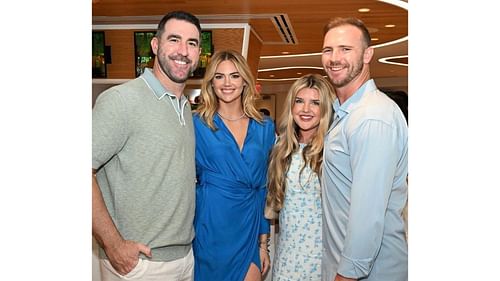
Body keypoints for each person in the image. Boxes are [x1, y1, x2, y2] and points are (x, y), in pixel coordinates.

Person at [92, 10, 202, 281]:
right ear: (155, 45)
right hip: (140, 264)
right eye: (174, 39)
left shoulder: (185, 107)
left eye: (192, 43)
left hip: (184, 259)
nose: (183, 51)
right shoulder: (120, 100)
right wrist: (114, 245)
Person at [320, 17, 408, 281]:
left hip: (367, 274)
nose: (335, 58)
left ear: (368, 54)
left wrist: (345, 276)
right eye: (328, 50)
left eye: (346, 49)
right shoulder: (349, 113)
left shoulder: (371, 117)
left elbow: (367, 216)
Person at [193, 49, 275, 281]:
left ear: (245, 81)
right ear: (211, 83)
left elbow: (263, 189)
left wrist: (263, 243)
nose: (227, 83)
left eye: (235, 76)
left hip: (248, 226)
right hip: (211, 226)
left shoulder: (264, 126)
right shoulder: (197, 125)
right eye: (219, 76)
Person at [266, 74, 335, 281]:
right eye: (299, 101)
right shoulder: (281, 148)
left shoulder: (333, 150)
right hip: (286, 258)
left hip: (322, 262)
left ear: (325, 109)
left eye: (315, 103)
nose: (306, 109)